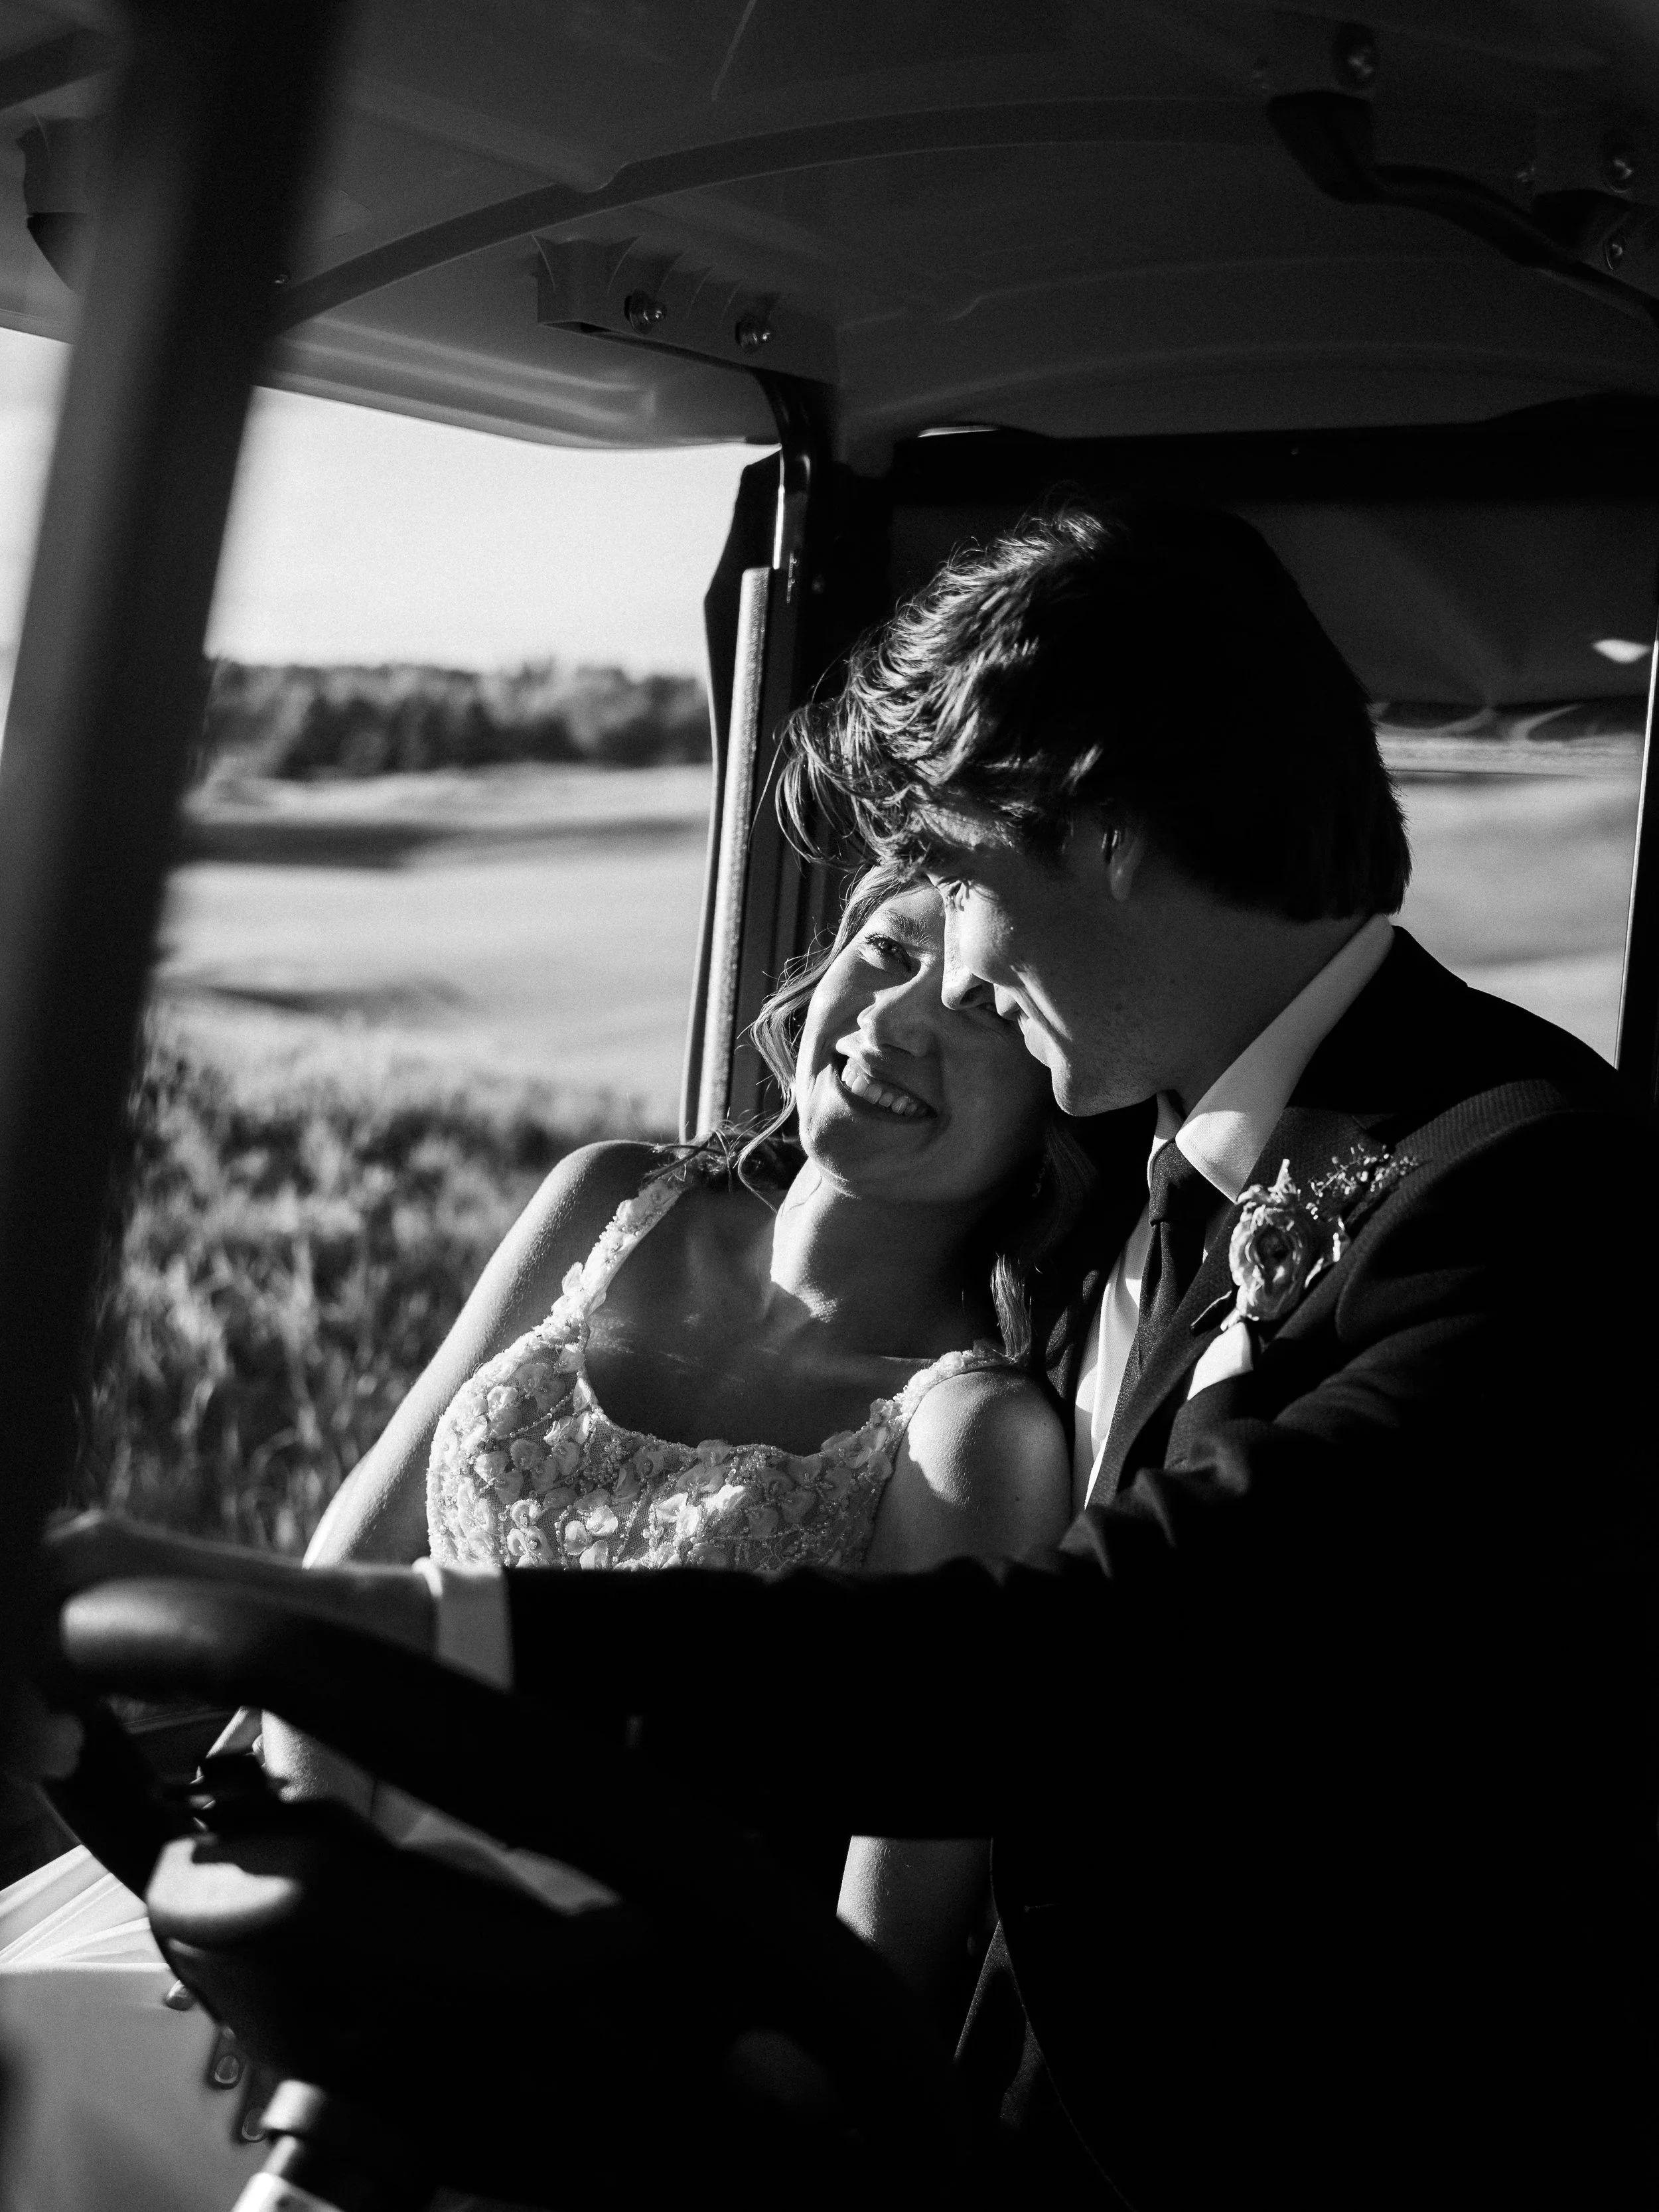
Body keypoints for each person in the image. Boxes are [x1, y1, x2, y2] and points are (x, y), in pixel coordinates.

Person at [31, 502, 1658, 2209]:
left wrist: (372, 1633)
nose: (932, 966)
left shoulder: (1527, 1188)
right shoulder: (1154, 1165)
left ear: (1101, 831)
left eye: (951, 877)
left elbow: (1088, 1659)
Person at [3, 863, 1089, 2211]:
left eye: (976, 1008)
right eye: (881, 949)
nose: (897, 1018)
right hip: (306, 1879)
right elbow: (348, 1573)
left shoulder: (970, 1434)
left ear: (1058, 1085)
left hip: (558, 2048)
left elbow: (870, 1975)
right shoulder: (611, 1198)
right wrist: (288, 1929)